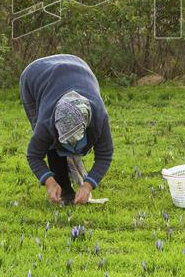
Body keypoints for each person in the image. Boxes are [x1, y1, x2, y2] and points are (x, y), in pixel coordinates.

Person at [20, 54, 114, 204]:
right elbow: (34, 155)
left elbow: (105, 155)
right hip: (35, 75)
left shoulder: (99, 119)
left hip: (77, 65)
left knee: (67, 148)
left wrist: (88, 186)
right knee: (52, 144)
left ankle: (78, 184)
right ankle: (63, 189)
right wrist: (49, 182)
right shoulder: (46, 122)